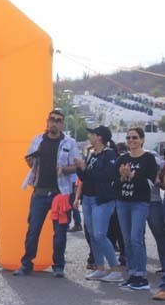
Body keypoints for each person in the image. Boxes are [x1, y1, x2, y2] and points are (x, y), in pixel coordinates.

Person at [14, 109, 83, 278]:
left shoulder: (69, 143)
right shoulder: (38, 140)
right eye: (52, 119)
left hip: (61, 193)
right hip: (39, 192)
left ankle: (58, 266)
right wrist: (30, 162)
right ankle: (26, 264)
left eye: (58, 120)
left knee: (60, 232)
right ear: (47, 121)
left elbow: (79, 165)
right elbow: (31, 162)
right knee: (33, 230)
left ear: (62, 124)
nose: (55, 122)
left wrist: (65, 169)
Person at [70, 126, 123, 282]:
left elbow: (107, 176)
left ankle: (115, 269)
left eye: (92, 134)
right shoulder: (92, 154)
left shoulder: (110, 154)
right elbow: (86, 176)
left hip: (102, 199)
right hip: (88, 198)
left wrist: (85, 168)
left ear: (99, 137)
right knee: (93, 235)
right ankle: (99, 268)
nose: (89, 136)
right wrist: (80, 168)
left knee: (100, 235)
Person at [114, 127, 158, 290]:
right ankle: (132, 273)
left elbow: (150, 183)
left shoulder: (148, 158)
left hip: (139, 203)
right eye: (128, 138)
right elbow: (114, 183)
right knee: (126, 240)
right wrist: (122, 176)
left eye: (134, 137)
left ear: (142, 140)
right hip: (122, 202)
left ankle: (141, 276)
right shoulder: (122, 158)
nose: (131, 140)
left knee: (135, 238)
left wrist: (132, 176)